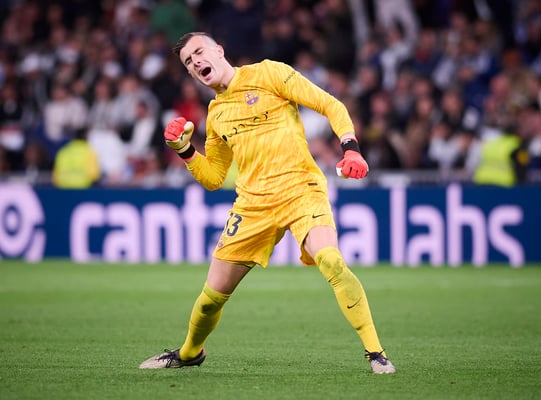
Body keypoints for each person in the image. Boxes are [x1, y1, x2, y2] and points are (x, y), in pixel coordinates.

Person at [139, 32, 396, 374]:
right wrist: (185, 151)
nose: (196, 61)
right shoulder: (216, 115)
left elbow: (330, 105)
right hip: (253, 205)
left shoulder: (270, 73)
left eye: (199, 52)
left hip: (300, 189)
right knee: (210, 300)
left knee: (331, 261)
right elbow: (214, 177)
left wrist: (351, 148)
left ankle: (376, 353)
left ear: (219, 50)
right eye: (188, 61)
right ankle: (188, 353)